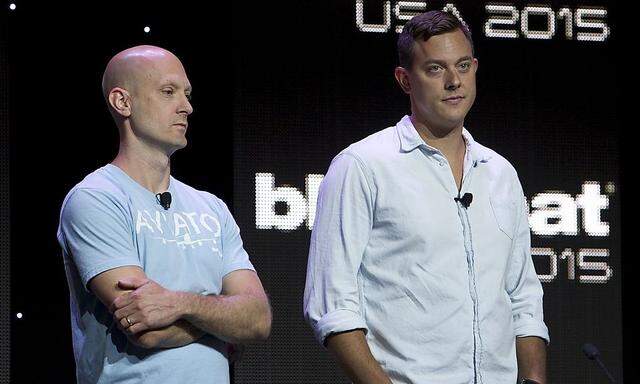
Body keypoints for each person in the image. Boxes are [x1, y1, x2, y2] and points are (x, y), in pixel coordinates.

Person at [304, 10, 548, 384]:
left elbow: (524, 297)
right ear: (405, 80)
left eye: (463, 66)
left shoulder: (501, 174)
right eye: (436, 69)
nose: (454, 81)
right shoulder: (363, 166)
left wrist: (533, 379)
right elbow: (331, 305)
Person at [57, 45, 271, 383]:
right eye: (168, 92)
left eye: (186, 94)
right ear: (122, 102)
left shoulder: (211, 207)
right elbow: (146, 330)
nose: (186, 107)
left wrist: (180, 304)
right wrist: (224, 323)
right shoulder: (95, 199)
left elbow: (258, 319)